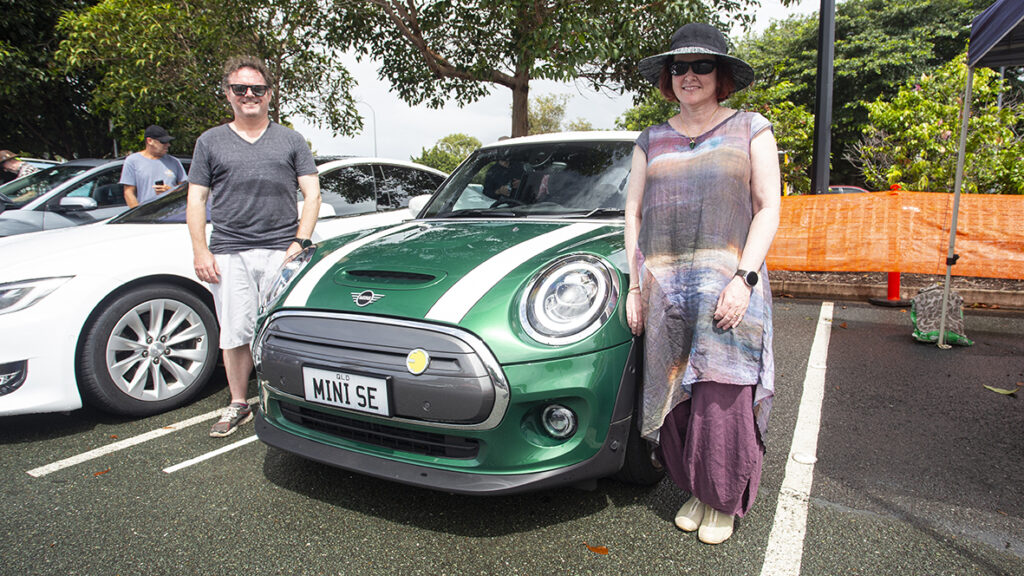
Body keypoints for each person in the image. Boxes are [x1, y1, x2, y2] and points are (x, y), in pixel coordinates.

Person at [624, 22, 781, 545]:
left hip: (728, 285)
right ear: (669, 78)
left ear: (722, 75)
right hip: (666, 289)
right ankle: (695, 488)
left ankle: (723, 497)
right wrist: (635, 286)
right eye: (679, 67)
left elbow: (768, 209)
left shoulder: (751, 128)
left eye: (702, 65)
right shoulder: (651, 139)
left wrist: (744, 279)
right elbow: (633, 214)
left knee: (722, 394)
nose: (689, 75)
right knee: (676, 395)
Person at [187, 56, 321, 438]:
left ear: (269, 94)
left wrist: (301, 240)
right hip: (230, 251)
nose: (249, 95)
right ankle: (237, 403)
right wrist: (201, 251)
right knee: (235, 331)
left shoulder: (291, 140)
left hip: (284, 252)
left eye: (257, 89)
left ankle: (285, 398)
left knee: (283, 329)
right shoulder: (210, 141)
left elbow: (311, 194)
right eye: (240, 89)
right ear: (228, 94)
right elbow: (196, 200)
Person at [119, 125, 187, 207]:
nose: (168, 145)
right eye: (163, 142)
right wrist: (138, 215)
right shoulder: (132, 161)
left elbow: (184, 190)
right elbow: (128, 192)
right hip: (146, 215)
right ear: (149, 141)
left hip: (171, 214)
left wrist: (170, 191)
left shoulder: (175, 162)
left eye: (168, 142)